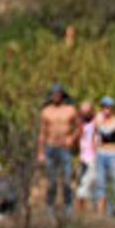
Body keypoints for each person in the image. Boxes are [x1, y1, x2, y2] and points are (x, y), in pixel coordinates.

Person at [38, 84, 79, 215]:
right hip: (50, 147)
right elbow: (42, 133)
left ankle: (68, 207)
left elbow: (79, 127)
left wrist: (72, 139)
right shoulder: (46, 111)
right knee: (52, 180)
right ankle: (50, 207)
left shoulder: (70, 110)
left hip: (65, 148)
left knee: (67, 179)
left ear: (62, 95)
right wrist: (40, 152)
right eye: (53, 93)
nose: (55, 96)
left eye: (58, 93)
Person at [92, 96, 115, 217]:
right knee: (101, 183)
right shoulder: (98, 121)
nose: (106, 110)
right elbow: (95, 136)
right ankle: (101, 213)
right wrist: (95, 148)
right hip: (101, 154)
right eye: (104, 107)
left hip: (113, 154)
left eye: (109, 107)